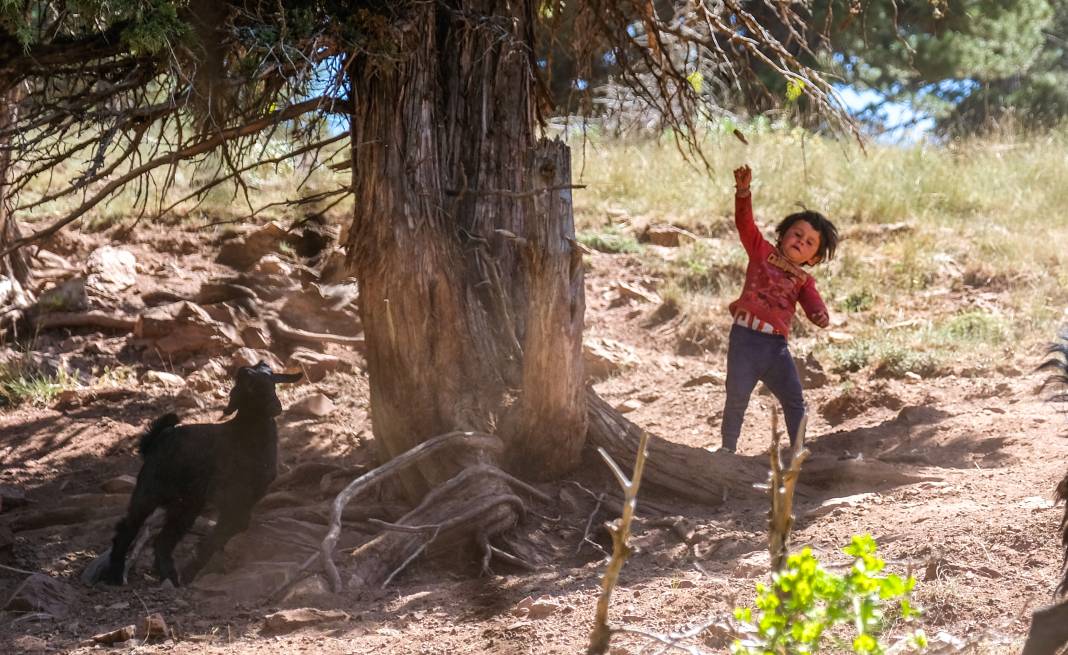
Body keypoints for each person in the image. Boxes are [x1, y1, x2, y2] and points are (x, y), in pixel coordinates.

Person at [718, 164, 839, 455]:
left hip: (775, 347)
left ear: (814, 258)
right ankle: (727, 449)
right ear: (783, 235)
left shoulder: (804, 280)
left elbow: (813, 303)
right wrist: (743, 192)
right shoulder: (761, 251)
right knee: (736, 397)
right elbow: (745, 224)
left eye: (809, 243)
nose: (801, 242)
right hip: (745, 340)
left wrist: (819, 315)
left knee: (794, 399)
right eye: (797, 234)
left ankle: (798, 450)